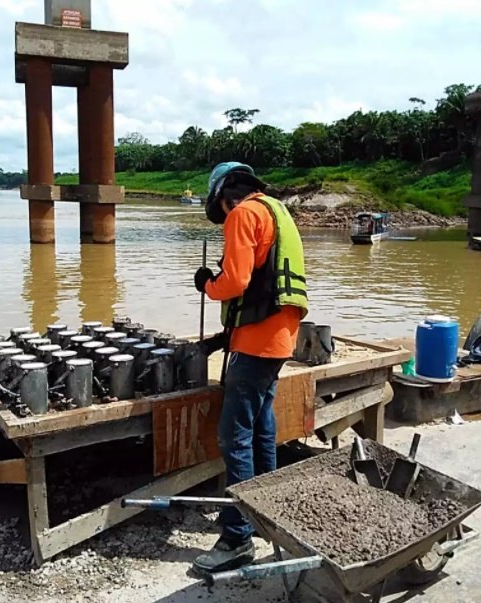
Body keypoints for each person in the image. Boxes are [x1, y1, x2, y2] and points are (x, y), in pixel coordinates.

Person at [192, 161, 308, 574]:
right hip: (278, 338)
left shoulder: (243, 214)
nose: (224, 217)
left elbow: (236, 282)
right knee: (261, 425)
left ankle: (237, 536)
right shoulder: (278, 210)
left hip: (256, 342)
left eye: (220, 209)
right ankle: (266, 513)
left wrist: (207, 283)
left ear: (225, 196)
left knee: (233, 434)